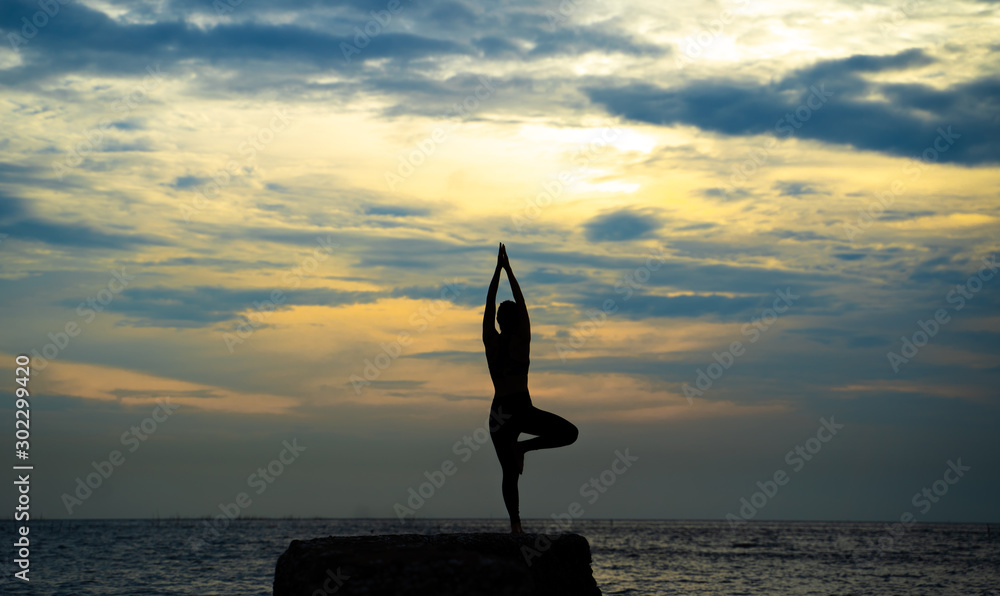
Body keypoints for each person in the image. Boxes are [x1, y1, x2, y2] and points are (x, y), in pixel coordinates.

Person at [483, 242, 578, 533]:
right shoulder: (521, 341)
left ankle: (516, 525)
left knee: (508, 474)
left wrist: (497, 272)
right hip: (520, 408)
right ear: (516, 321)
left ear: (499, 321)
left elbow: (488, 305)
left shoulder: (491, 341)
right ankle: (523, 447)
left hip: (499, 412)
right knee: (569, 433)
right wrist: (509, 270)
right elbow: (521, 306)